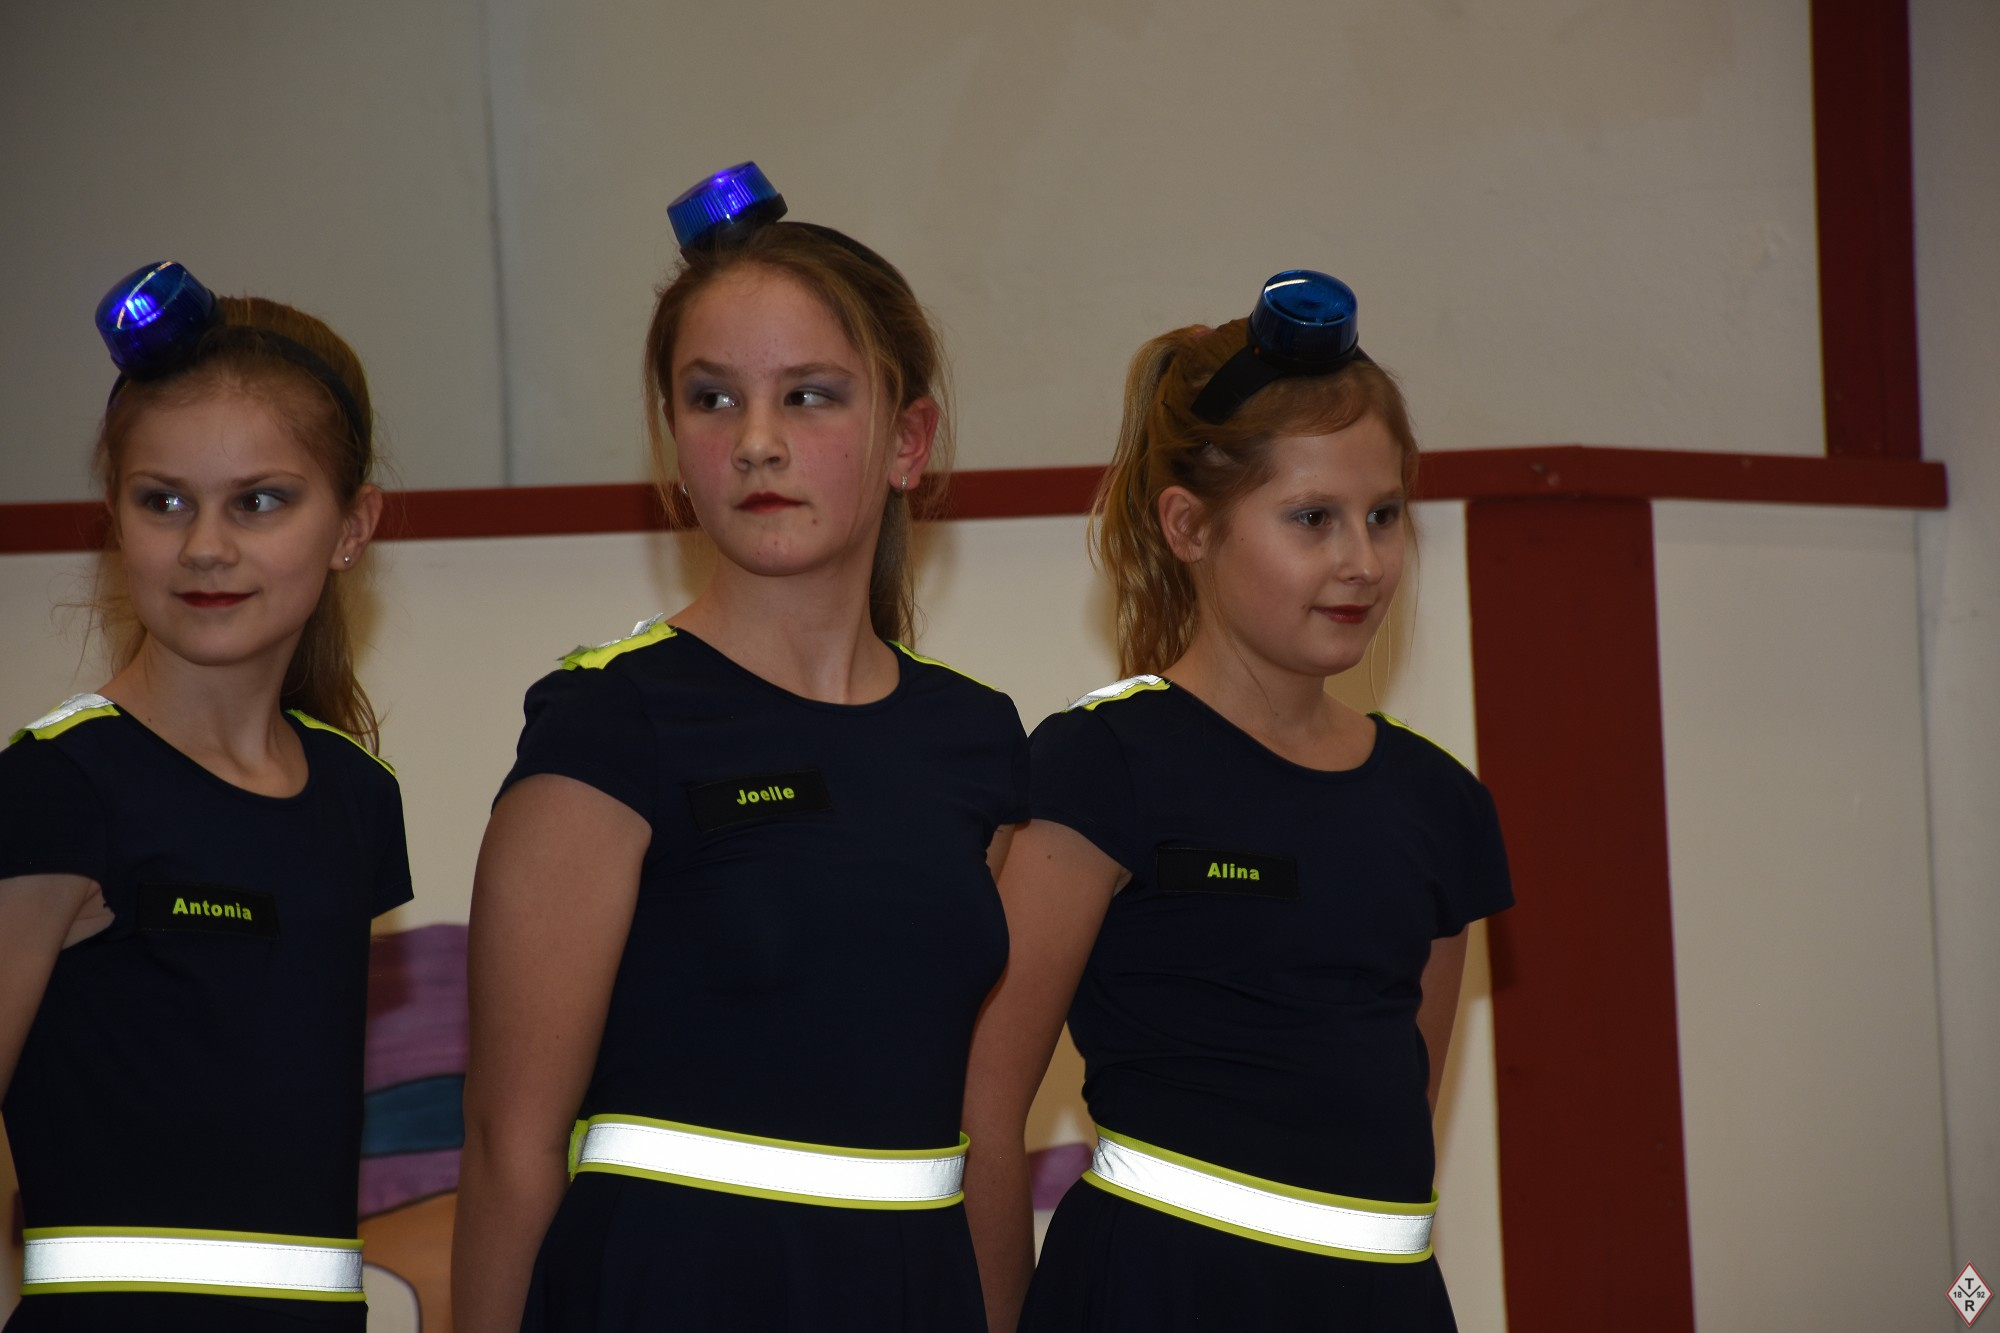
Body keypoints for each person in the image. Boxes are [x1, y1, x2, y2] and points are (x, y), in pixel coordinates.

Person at [452, 163, 1028, 1332]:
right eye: (711, 399)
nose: (757, 442)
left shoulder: (975, 738)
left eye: (809, 396)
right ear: (673, 440)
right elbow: (510, 1150)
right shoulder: (610, 719)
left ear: (907, 438)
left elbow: (983, 1130)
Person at [962, 271, 1513, 1331]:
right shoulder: (1101, 763)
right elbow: (981, 1105)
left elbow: (1398, 1130)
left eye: (1383, 515)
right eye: (1312, 519)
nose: (1362, 561)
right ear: (1188, 525)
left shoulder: (1440, 805)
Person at [0, 262, 409, 1331]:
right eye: (164, 501)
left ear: (353, 524)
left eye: (259, 501)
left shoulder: (358, 798)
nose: (206, 546)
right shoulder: (58, 786)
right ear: (113, 516)